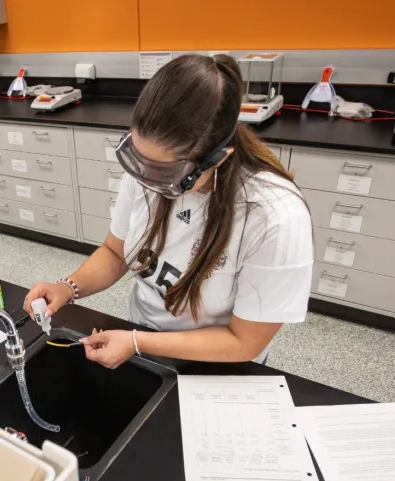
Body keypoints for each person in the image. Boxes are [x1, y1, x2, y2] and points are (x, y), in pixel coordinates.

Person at [24, 54, 313, 368]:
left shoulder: (274, 216)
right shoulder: (147, 170)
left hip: (216, 362)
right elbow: (115, 251)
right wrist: (67, 287)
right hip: (142, 339)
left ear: (216, 159)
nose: (146, 180)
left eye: (164, 173)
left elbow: (243, 342)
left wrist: (136, 342)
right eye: (139, 159)